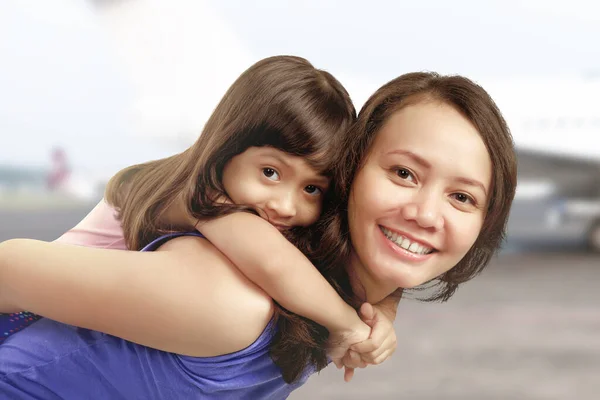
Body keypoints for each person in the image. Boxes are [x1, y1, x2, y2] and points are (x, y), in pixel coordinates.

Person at [0, 70, 517, 399]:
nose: (426, 213)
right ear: (350, 173)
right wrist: (349, 325)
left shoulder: (311, 293)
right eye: (403, 173)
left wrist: (378, 313)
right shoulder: (231, 289)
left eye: (463, 197)